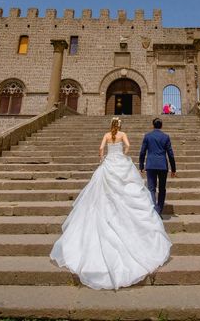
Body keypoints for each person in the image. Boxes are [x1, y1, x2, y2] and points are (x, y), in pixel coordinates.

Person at [49, 117, 171, 290]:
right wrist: (123, 154)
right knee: (127, 191)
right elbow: (128, 146)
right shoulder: (122, 135)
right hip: (120, 163)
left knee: (102, 192)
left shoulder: (107, 135)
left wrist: (103, 158)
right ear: (120, 126)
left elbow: (100, 149)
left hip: (108, 164)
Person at [139, 118, 177, 216]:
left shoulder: (148, 136)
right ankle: (158, 210)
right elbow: (170, 154)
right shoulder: (165, 137)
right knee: (162, 188)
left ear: (153, 125)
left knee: (151, 188)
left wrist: (141, 165)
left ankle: (154, 209)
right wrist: (173, 169)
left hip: (151, 165)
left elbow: (142, 152)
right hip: (162, 166)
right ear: (161, 126)